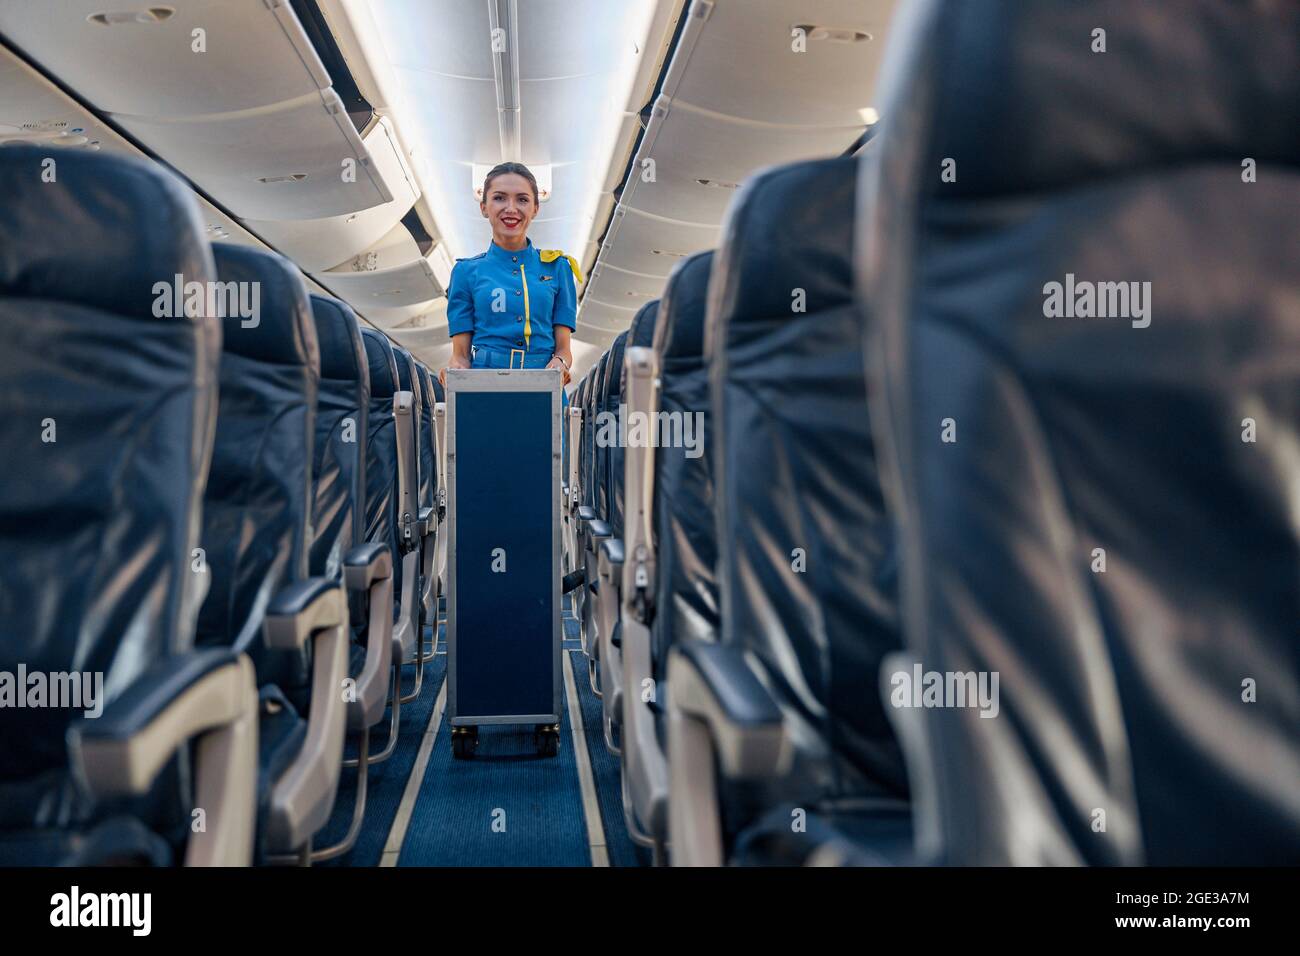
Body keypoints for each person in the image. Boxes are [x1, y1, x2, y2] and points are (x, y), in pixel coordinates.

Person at [440, 162, 580, 385]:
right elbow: (461, 355)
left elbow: (564, 349)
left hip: (544, 383)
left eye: (522, 199)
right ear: (483, 207)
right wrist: (455, 370)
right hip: (484, 386)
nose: (511, 208)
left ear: (535, 208)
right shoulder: (466, 272)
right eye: (499, 198)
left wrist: (560, 363)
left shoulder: (559, 268)